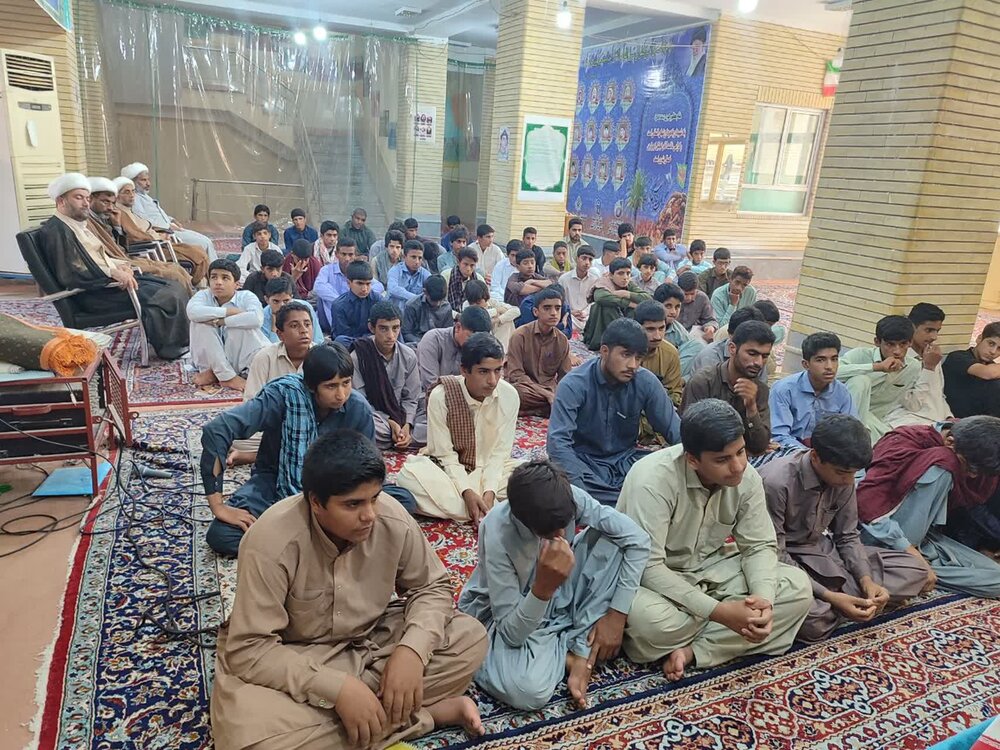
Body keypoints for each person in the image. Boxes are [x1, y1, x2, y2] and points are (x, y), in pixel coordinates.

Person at [210, 430, 488, 750]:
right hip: (298, 656)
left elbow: (432, 587)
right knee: (245, 738)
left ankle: (363, 716)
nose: (369, 515)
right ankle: (425, 716)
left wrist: (412, 651)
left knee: (470, 638)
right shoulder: (270, 543)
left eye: (374, 498)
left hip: (373, 641)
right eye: (353, 504)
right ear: (316, 503)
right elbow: (250, 648)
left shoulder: (390, 518)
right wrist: (337, 689)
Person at [616, 399, 813, 680]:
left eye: (741, 452)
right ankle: (726, 631)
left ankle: (694, 651)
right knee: (652, 625)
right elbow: (648, 566)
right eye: (722, 459)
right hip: (652, 579)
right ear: (692, 460)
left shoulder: (746, 477)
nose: (738, 466)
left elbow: (758, 545)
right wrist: (719, 613)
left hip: (712, 567)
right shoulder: (653, 480)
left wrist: (762, 602)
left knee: (797, 589)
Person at [458, 461, 650, 710]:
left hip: (560, 593)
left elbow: (638, 540)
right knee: (527, 691)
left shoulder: (565, 498)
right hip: (510, 613)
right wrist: (543, 589)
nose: (562, 534)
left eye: (565, 524)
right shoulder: (497, 530)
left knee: (616, 543)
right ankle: (572, 653)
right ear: (528, 524)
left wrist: (617, 615)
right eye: (551, 533)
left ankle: (575, 648)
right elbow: (511, 633)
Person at [759, 415, 927, 643]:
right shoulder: (776, 482)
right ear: (815, 457)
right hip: (786, 560)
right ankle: (842, 602)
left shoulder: (842, 478)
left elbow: (847, 536)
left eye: (853, 473)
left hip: (823, 551)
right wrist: (830, 596)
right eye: (841, 472)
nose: (849, 481)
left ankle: (850, 600)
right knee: (814, 620)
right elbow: (774, 553)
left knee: (915, 570)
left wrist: (867, 581)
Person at [201, 343, 375, 557]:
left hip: (337, 490)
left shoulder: (358, 408)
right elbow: (216, 430)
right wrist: (218, 506)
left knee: (400, 505)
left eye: (346, 383)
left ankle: (296, 543)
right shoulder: (284, 396)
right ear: (311, 386)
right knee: (222, 535)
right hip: (275, 482)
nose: (341, 395)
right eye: (331, 386)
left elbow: (368, 469)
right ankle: (313, 543)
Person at [39, 173, 189, 360]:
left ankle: (178, 341)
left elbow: (97, 257)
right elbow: (70, 273)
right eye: (78, 198)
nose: (85, 203)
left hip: (103, 284)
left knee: (173, 285)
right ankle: (172, 348)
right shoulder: (57, 231)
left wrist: (121, 265)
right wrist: (112, 272)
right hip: (94, 294)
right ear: (61, 201)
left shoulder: (74, 224)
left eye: (87, 198)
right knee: (167, 295)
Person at [858, 417, 1000, 598]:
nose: (973, 476)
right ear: (950, 442)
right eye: (970, 468)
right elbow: (867, 504)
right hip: (884, 535)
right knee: (944, 462)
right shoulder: (906, 442)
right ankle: (905, 569)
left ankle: (912, 573)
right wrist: (909, 550)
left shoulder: (977, 444)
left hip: (926, 539)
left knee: (997, 580)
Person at [547, 319, 681, 505]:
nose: (633, 365)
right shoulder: (574, 384)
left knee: (672, 472)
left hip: (625, 460)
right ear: (604, 351)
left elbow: (675, 431)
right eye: (626, 355)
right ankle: (625, 502)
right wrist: (579, 486)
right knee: (560, 484)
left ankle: (622, 502)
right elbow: (558, 444)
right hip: (586, 463)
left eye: (638, 358)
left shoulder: (645, 381)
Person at [396, 333, 521, 523]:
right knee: (408, 477)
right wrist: (467, 491)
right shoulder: (442, 396)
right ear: (464, 370)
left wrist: (490, 491)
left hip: (492, 470)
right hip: (447, 471)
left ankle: (479, 505)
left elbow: (499, 454)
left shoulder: (509, 395)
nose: (493, 381)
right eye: (483, 372)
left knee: (532, 477)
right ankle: (489, 507)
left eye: (498, 370)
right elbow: (445, 455)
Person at [230, 301, 318, 465]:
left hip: (310, 426)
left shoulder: (322, 357)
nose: (303, 330)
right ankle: (279, 451)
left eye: (307, 324)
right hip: (273, 427)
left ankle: (254, 456)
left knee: (329, 438)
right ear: (280, 334)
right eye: (294, 326)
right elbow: (252, 402)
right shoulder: (265, 357)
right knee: (235, 437)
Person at [682, 320, 774, 458]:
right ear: (732, 348)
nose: (759, 362)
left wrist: (751, 408)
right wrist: (740, 451)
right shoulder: (703, 382)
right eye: (752, 353)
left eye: (764, 356)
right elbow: (690, 437)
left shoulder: (760, 390)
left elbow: (760, 445)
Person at [85, 176, 193, 290]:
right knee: (173, 275)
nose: (110, 207)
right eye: (105, 202)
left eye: (112, 203)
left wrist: (117, 226)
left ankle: (195, 298)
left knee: (176, 268)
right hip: (120, 264)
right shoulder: (88, 223)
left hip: (127, 258)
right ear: (90, 199)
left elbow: (121, 247)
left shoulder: (108, 216)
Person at [837, 315, 923, 444]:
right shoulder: (860, 355)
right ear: (877, 341)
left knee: (898, 441)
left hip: (876, 421)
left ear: (910, 342)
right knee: (860, 381)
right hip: (844, 415)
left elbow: (914, 402)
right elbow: (831, 372)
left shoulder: (913, 367)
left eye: (903, 344)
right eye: (890, 344)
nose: (897, 351)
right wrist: (876, 367)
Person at [351, 301, 424, 450]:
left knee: (433, 411)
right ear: (372, 327)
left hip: (403, 414)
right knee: (363, 422)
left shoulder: (408, 355)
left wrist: (407, 424)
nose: (390, 336)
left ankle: (403, 435)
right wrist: (390, 422)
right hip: (378, 418)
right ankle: (403, 436)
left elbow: (412, 397)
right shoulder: (358, 357)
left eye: (395, 328)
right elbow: (361, 401)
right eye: (383, 329)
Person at [187, 259, 269, 392]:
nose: (218, 282)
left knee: (238, 325)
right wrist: (228, 312)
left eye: (225, 278)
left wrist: (222, 322)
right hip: (209, 361)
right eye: (214, 277)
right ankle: (227, 376)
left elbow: (257, 319)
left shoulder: (247, 296)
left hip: (242, 360)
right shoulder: (203, 295)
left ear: (236, 284)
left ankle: (218, 373)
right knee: (200, 323)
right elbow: (192, 312)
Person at [113, 175, 209, 286]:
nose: (132, 195)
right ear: (117, 196)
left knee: (199, 251)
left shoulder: (129, 209)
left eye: (133, 191)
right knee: (197, 256)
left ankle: (202, 285)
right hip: (152, 247)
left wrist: (161, 232)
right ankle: (196, 285)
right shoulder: (121, 213)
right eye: (126, 192)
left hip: (159, 240)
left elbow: (147, 226)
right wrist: (158, 237)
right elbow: (135, 235)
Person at [769, 332, 856, 451]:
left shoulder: (842, 393)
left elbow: (850, 433)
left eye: (834, 359)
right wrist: (810, 454)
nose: (829, 366)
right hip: (789, 452)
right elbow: (779, 436)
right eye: (820, 360)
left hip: (827, 455)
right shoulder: (783, 390)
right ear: (806, 364)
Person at [120, 162, 217, 260]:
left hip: (171, 229)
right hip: (164, 233)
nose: (148, 183)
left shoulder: (144, 196)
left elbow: (155, 214)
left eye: (148, 179)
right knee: (204, 243)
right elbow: (144, 221)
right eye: (143, 180)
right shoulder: (134, 199)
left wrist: (171, 219)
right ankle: (215, 268)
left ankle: (216, 267)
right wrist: (167, 226)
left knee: (206, 240)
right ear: (133, 182)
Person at [505, 288, 573, 417]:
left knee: (576, 394)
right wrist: (546, 395)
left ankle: (533, 411)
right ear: (536, 312)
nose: (553, 313)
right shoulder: (520, 335)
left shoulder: (562, 340)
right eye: (547, 308)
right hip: (525, 387)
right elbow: (516, 374)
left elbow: (565, 376)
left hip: (549, 388)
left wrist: (560, 393)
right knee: (514, 393)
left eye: (557, 308)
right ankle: (546, 408)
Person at [884, 302, 951, 427]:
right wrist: (928, 368)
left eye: (937, 331)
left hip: (939, 421)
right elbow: (912, 405)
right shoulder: (897, 359)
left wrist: (949, 416)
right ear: (912, 327)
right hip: (908, 422)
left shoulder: (932, 355)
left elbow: (938, 394)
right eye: (929, 330)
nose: (934, 337)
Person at [415, 306, 492, 391]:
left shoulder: (483, 346)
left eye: (481, 340)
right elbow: (431, 385)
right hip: (434, 395)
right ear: (458, 327)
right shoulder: (433, 340)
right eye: (471, 338)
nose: (476, 344)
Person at [315, 238, 386, 328]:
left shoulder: (359, 270)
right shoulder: (327, 270)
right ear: (336, 254)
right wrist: (344, 301)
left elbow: (379, 286)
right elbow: (318, 287)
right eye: (343, 254)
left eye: (351, 254)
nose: (347, 258)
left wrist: (362, 292)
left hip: (357, 313)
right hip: (333, 316)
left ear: (355, 255)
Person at [582, 258, 651, 351]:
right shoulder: (604, 282)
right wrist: (628, 303)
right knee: (605, 306)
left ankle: (627, 340)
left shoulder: (629, 284)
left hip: (623, 323)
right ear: (611, 275)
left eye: (628, 273)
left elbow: (648, 298)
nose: (625, 277)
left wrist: (627, 294)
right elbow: (600, 297)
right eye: (620, 273)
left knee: (636, 310)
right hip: (602, 329)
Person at [687, 307, 769, 384]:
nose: (759, 362)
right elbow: (710, 390)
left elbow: (761, 386)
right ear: (730, 336)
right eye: (751, 353)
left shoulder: (759, 358)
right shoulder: (710, 356)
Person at [633, 300, 683, 411]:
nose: (657, 336)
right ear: (637, 327)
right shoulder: (623, 351)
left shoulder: (671, 353)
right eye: (650, 329)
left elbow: (674, 393)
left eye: (661, 328)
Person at [943, 321, 1000, 418]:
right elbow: (986, 373)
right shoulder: (958, 357)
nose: (993, 351)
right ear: (979, 338)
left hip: (985, 421)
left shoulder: (993, 368)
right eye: (991, 343)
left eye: (999, 348)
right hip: (953, 418)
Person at [653, 282, 707, 378]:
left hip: (670, 370)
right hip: (651, 368)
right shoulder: (647, 324)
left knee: (698, 346)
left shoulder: (677, 329)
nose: (673, 312)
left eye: (677, 307)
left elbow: (690, 351)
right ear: (657, 305)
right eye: (668, 306)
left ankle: (675, 380)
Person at [330, 260, 383, 347]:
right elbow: (342, 334)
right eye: (360, 283)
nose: (364, 289)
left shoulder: (377, 300)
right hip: (352, 343)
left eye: (368, 284)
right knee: (340, 340)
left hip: (374, 340)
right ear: (349, 283)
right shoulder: (339, 305)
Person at [260, 277, 323, 345]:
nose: (282, 306)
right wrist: (273, 328)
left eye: (286, 301)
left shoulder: (305, 308)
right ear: (267, 300)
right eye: (276, 301)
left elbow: (318, 339)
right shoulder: (262, 317)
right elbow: (269, 347)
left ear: (291, 298)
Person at [464, 278, 520, 350]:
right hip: (480, 341)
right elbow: (477, 316)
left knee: (506, 320)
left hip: (498, 336)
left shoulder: (492, 301)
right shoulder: (466, 305)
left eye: (480, 302)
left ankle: (502, 350)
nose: (478, 305)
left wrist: (498, 320)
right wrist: (496, 310)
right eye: (476, 303)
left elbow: (516, 311)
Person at [402, 275, 454, 345]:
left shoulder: (446, 307)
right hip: (418, 342)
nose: (438, 304)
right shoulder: (412, 305)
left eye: (440, 300)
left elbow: (448, 333)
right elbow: (406, 333)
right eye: (433, 300)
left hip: (439, 343)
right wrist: (425, 343)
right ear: (425, 292)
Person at [559, 244, 599, 325]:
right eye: (584, 258)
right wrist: (569, 311)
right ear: (577, 259)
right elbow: (559, 301)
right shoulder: (564, 279)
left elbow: (595, 301)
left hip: (587, 318)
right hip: (568, 317)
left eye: (590, 260)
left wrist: (585, 312)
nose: (587, 263)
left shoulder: (595, 279)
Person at [676, 271, 718, 342]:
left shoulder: (702, 298)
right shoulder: (672, 297)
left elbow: (710, 319)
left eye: (692, 294)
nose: (689, 298)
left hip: (693, 334)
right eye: (685, 294)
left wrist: (710, 327)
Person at [388, 240, 431, 308]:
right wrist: (417, 299)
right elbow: (392, 289)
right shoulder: (395, 270)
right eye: (413, 257)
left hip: (416, 312)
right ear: (404, 257)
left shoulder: (426, 274)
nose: (417, 261)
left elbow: (431, 292)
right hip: (395, 312)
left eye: (420, 258)